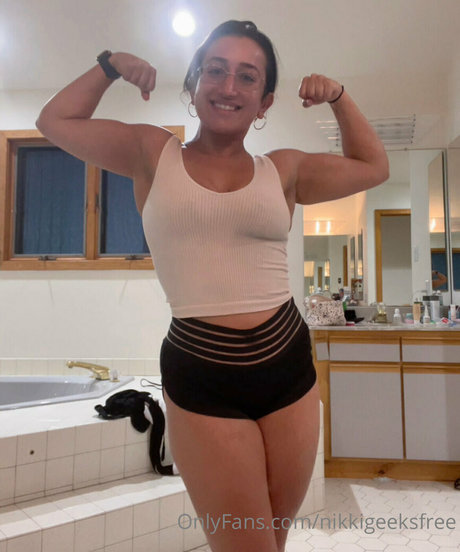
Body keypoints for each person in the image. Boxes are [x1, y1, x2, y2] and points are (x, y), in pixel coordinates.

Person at [36, 20, 388, 552]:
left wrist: (338, 97)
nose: (229, 86)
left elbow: (373, 166)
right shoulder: (152, 152)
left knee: (272, 540)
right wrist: (109, 66)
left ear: (264, 101)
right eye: (216, 70)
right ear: (194, 83)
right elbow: (54, 121)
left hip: (288, 367)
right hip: (202, 373)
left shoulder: (285, 170)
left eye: (247, 77)